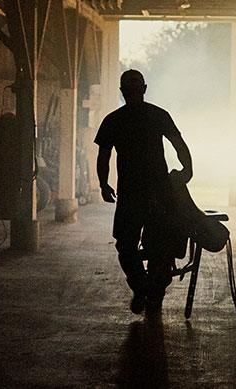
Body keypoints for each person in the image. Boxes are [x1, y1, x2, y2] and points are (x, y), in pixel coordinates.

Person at [95, 69, 193, 314]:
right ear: (145, 88)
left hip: (130, 194)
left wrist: (103, 183)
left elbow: (103, 156)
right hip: (160, 193)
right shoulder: (158, 115)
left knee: (126, 245)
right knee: (162, 246)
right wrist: (187, 171)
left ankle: (140, 287)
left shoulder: (113, 120)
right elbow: (179, 144)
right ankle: (155, 293)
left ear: (122, 91)